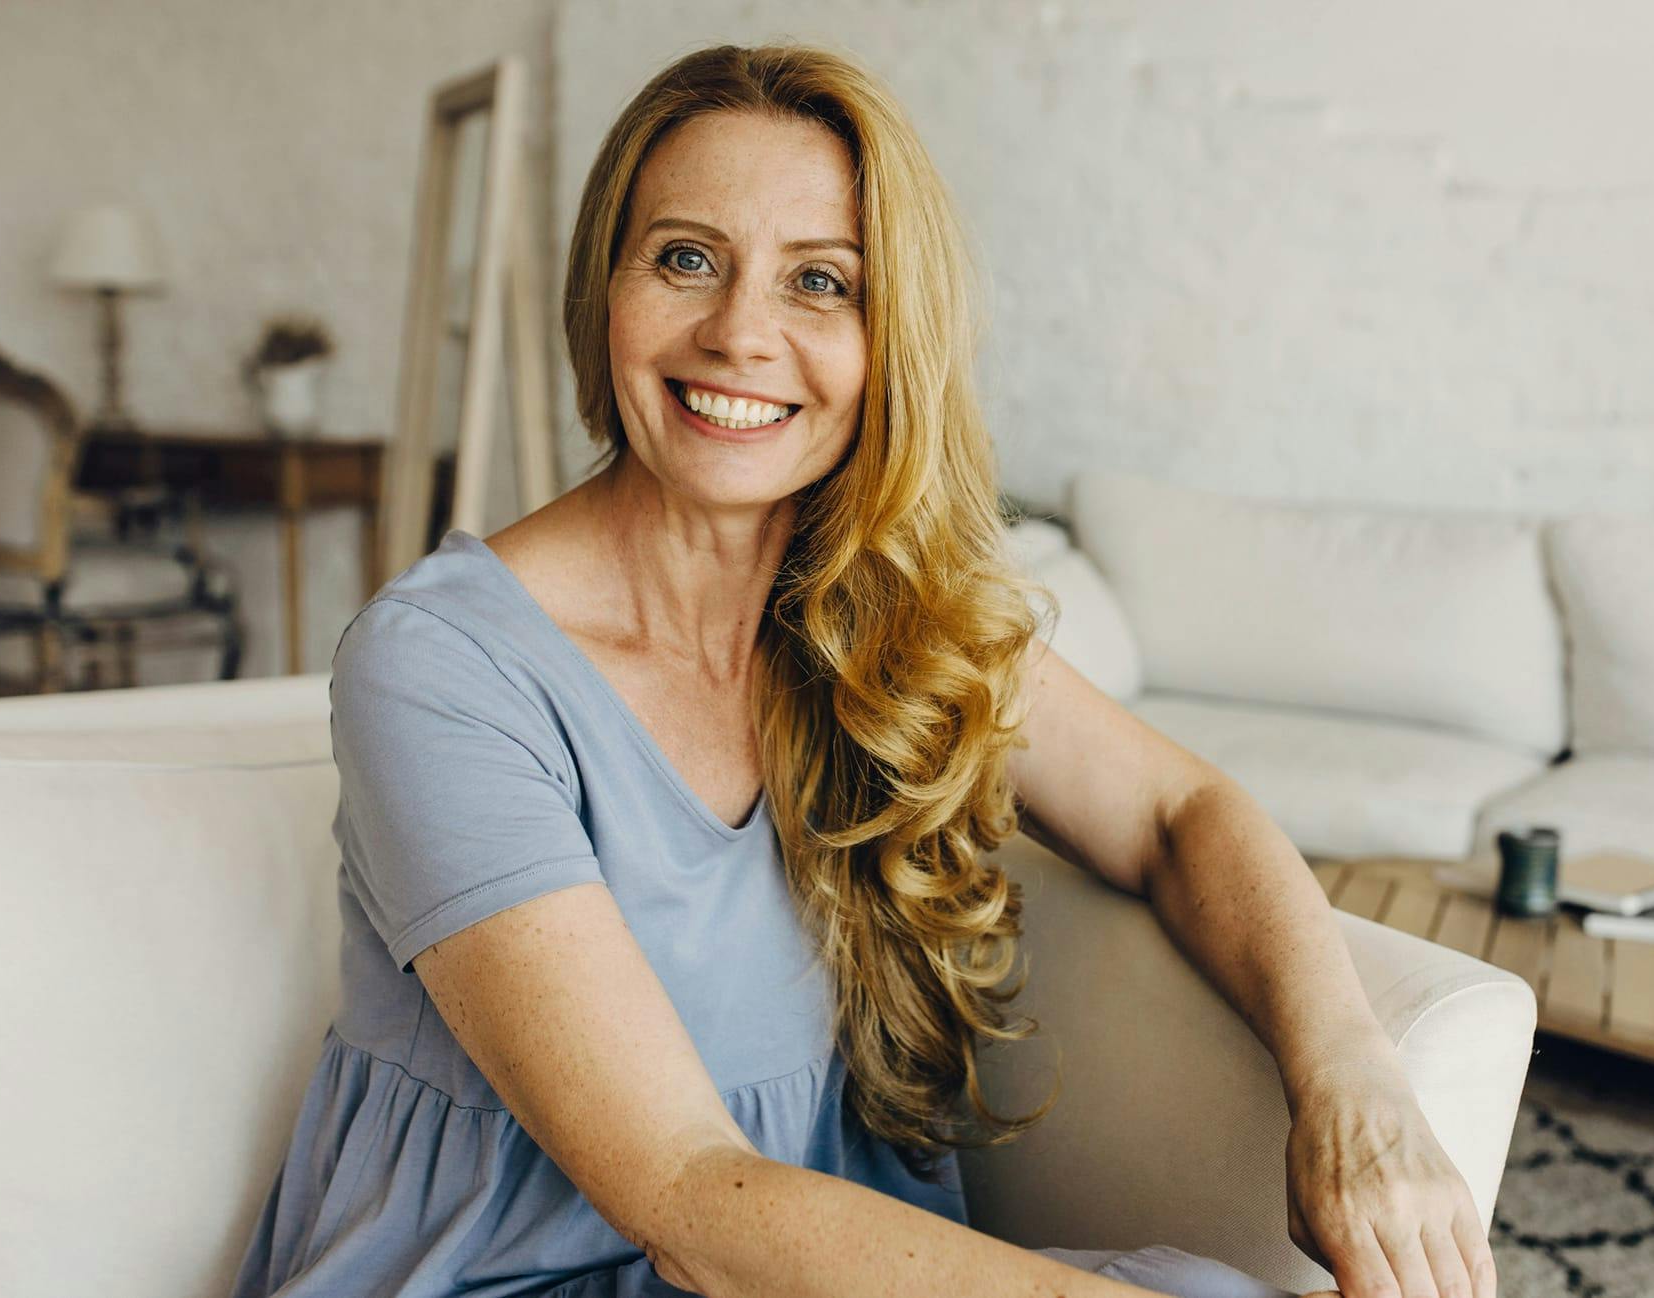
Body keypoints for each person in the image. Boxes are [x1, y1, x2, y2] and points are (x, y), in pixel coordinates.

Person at [227, 42, 1492, 1298]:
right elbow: (682, 1192)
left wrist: (1350, 1075)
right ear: (600, 288)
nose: (738, 334)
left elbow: (1178, 814)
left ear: (892, 335)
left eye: (820, 282)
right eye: (683, 259)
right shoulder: (440, 666)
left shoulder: (883, 612)